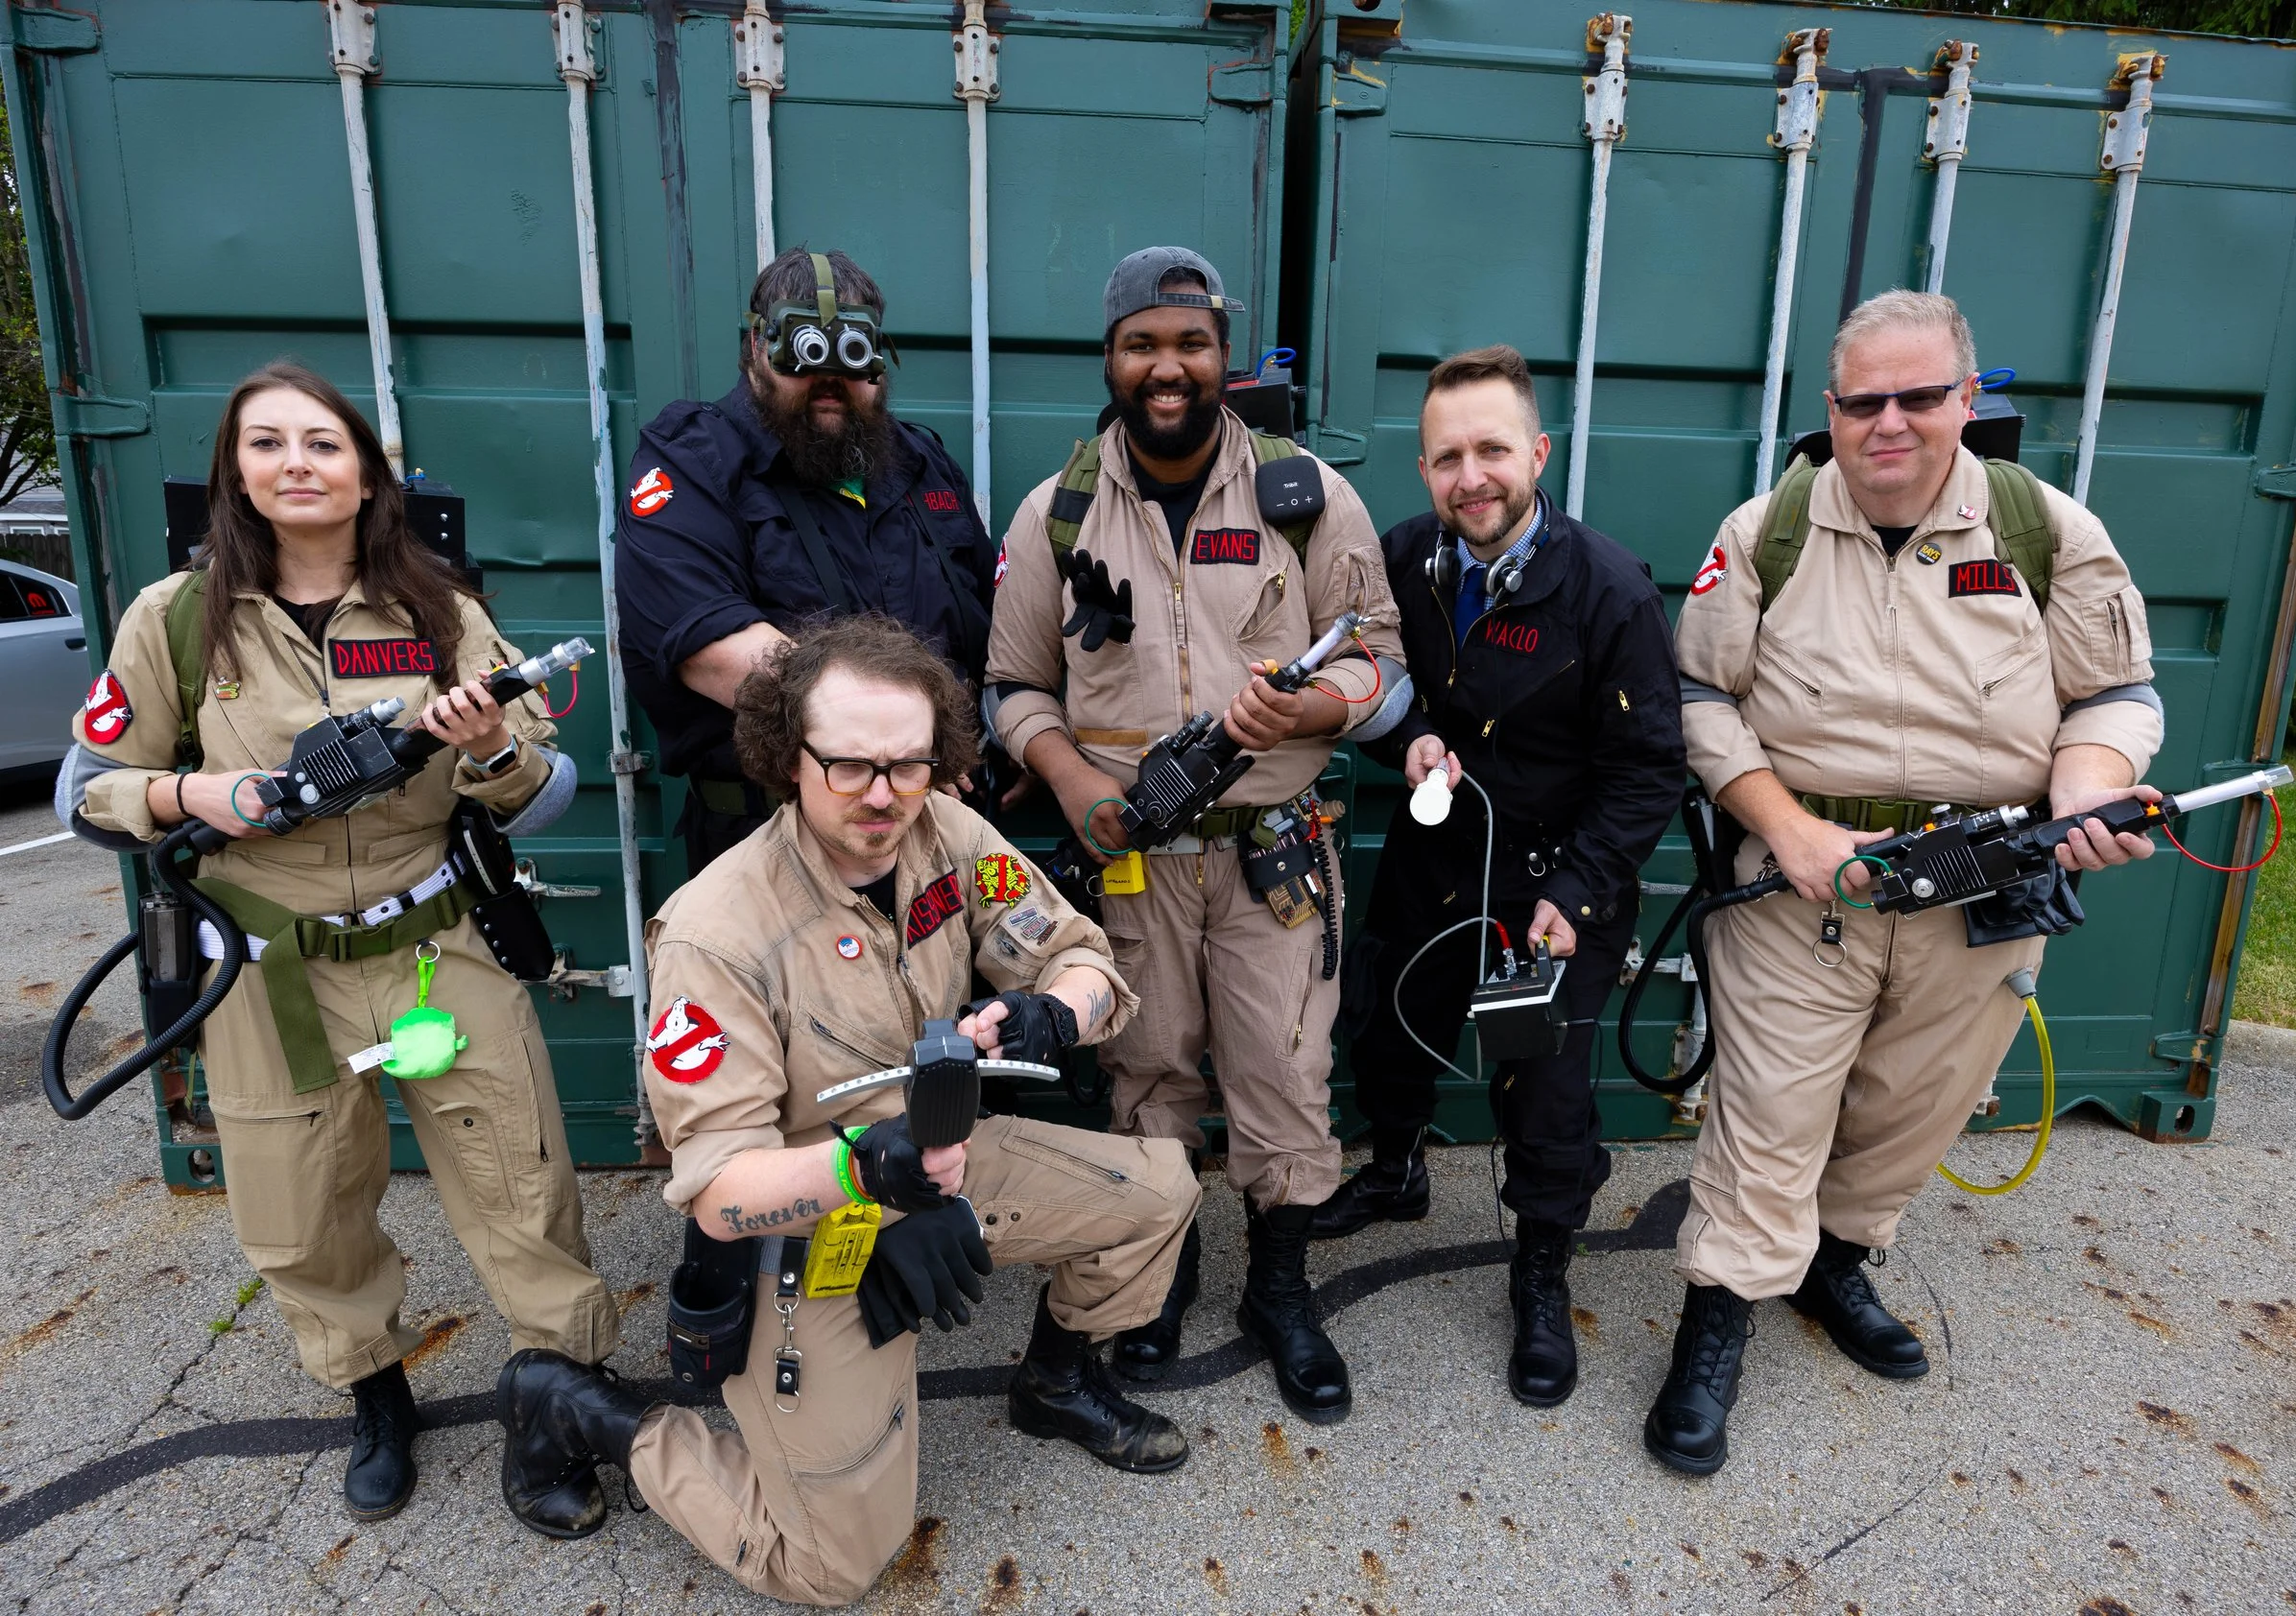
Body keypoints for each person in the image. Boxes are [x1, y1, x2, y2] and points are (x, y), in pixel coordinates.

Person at [494, 614, 1198, 1606]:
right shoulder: (716, 932)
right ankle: (586, 1413)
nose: (883, 795)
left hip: (940, 1158)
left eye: (910, 765)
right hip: (801, 1219)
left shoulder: (947, 834)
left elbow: (1079, 952)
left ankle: (1055, 1381)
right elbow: (716, 1192)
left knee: (1159, 1187)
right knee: (830, 1567)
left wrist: (1051, 1010)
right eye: (852, 766)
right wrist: (868, 1177)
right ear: (788, 757)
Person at [59, 363, 616, 1521]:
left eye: (322, 443)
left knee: (523, 1182)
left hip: (434, 944)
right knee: (300, 1202)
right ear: (237, 473)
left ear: (368, 473)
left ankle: (556, 1398)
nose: (296, 464)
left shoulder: (441, 613)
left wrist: (483, 751)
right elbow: (87, 788)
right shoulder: (174, 619)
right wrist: (192, 800)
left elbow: (543, 788)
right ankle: (373, 1393)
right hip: (271, 964)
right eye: (267, 444)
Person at [1649, 291, 2164, 1475]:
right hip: (1803, 893)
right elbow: (1697, 697)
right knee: (1770, 1116)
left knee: (1910, 1111)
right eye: (1863, 401)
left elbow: (2117, 694)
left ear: (1964, 403)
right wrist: (1783, 826)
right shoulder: (1766, 529)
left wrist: (2085, 786)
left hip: (1980, 890)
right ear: (1829, 410)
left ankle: (1833, 1265)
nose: (1890, 423)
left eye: (1918, 397)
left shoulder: (2046, 530)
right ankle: (1718, 1317)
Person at [985, 247, 1407, 1426]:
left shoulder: (1306, 494)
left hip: (1274, 853)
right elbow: (1010, 684)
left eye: (1190, 344)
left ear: (1223, 356)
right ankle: (1155, 1276)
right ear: (1110, 360)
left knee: (1286, 1072)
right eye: (1142, 345)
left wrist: (1317, 705)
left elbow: (1384, 667)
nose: (1167, 368)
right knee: (1146, 1072)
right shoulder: (1054, 511)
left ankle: (1281, 1293)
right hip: (1127, 862)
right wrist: (1066, 779)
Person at [1313, 345, 1686, 1408]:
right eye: (1445, 458)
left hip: (1556, 888)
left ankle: (1539, 1268)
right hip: (1434, 859)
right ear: (1424, 470)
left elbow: (1649, 765)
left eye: (1489, 451)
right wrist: (1415, 733)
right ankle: (1396, 1170)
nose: (1469, 477)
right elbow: (1371, 680)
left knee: (1544, 1090)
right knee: (1387, 1023)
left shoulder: (1609, 589)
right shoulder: (1399, 561)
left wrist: (1574, 893)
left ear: (1537, 453)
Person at [614, 245, 999, 872]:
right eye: (805, 352)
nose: (830, 379)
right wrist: (905, 752)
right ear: (756, 349)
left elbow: (992, 628)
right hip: (773, 842)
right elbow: (714, 649)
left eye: (853, 354)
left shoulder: (921, 465)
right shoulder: (694, 462)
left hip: (935, 839)